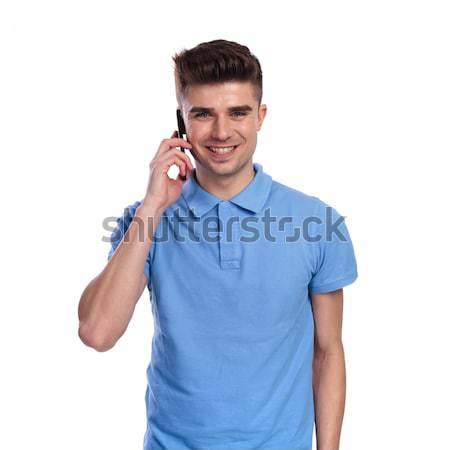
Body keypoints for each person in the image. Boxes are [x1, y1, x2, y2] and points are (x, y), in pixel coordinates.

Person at [78, 39, 358, 450]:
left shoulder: (316, 222)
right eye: (203, 114)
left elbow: (328, 352)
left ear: (260, 117)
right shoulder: (145, 219)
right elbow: (97, 332)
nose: (222, 132)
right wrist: (154, 205)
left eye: (238, 113)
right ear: (181, 123)